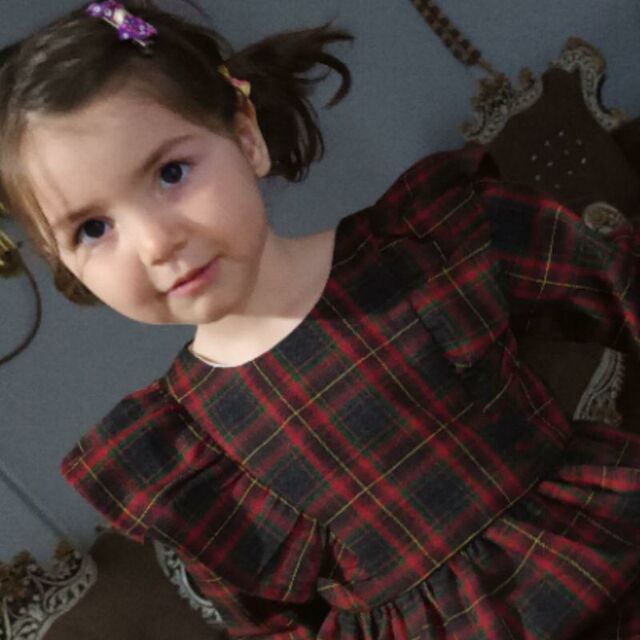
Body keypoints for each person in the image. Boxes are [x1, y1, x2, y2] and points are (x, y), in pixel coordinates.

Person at [0, 2, 638, 638]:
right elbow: (273, 626)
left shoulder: (426, 245)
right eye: (93, 229)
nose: (155, 243)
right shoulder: (185, 449)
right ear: (62, 263)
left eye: (171, 173)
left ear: (245, 137)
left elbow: (619, 285)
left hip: (602, 559)